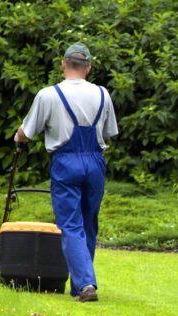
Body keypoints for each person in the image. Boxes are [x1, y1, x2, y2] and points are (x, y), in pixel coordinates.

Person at [14, 43, 118, 302]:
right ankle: (81, 284)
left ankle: (84, 285)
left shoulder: (48, 95)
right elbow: (108, 133)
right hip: (94, 161)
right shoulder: (103, 94)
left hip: (66, 162)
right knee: (88, 223)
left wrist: (18, 138)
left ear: (63, 64)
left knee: (71, 224)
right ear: (89, 68)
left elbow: (27, 132)